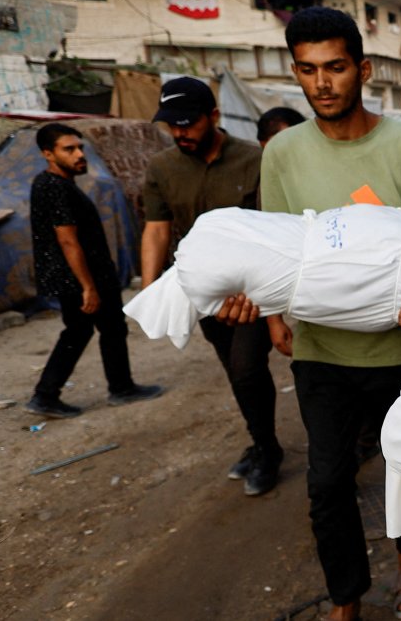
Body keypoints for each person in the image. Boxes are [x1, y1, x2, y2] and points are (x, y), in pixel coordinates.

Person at [220, 7, 401, 621]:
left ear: (363, 70)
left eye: (336, 68)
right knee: (326, 483)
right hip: (323, 350)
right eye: (309, 70)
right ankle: (345, 597)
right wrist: (269, 314)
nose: (322, 83)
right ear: (296, 73)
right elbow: (278, 248)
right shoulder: (284, 153)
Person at [141, 77, 283, 497]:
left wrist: (268, 302)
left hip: (251, 291)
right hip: (203, 293)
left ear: (214, 117)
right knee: (235, 372)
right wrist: (151, 294)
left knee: (247, 366)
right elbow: (156, 230)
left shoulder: (253, 161)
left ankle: (269, 452)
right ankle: (262, 442)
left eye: (188, 123)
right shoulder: (161, 168)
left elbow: (272, 233)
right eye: (172, 125)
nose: (180, 132)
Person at [25, 124, 163, 418]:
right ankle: (47, 395)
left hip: (85, 274)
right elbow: (67, 240)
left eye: (80, 148)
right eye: (69, 149)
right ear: (47, 154)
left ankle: (118, 387)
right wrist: (88, 286)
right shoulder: (53, 187)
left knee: (107, 328)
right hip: (80, 276)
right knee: (81, 330)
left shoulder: (56, 184)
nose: (79, 154)